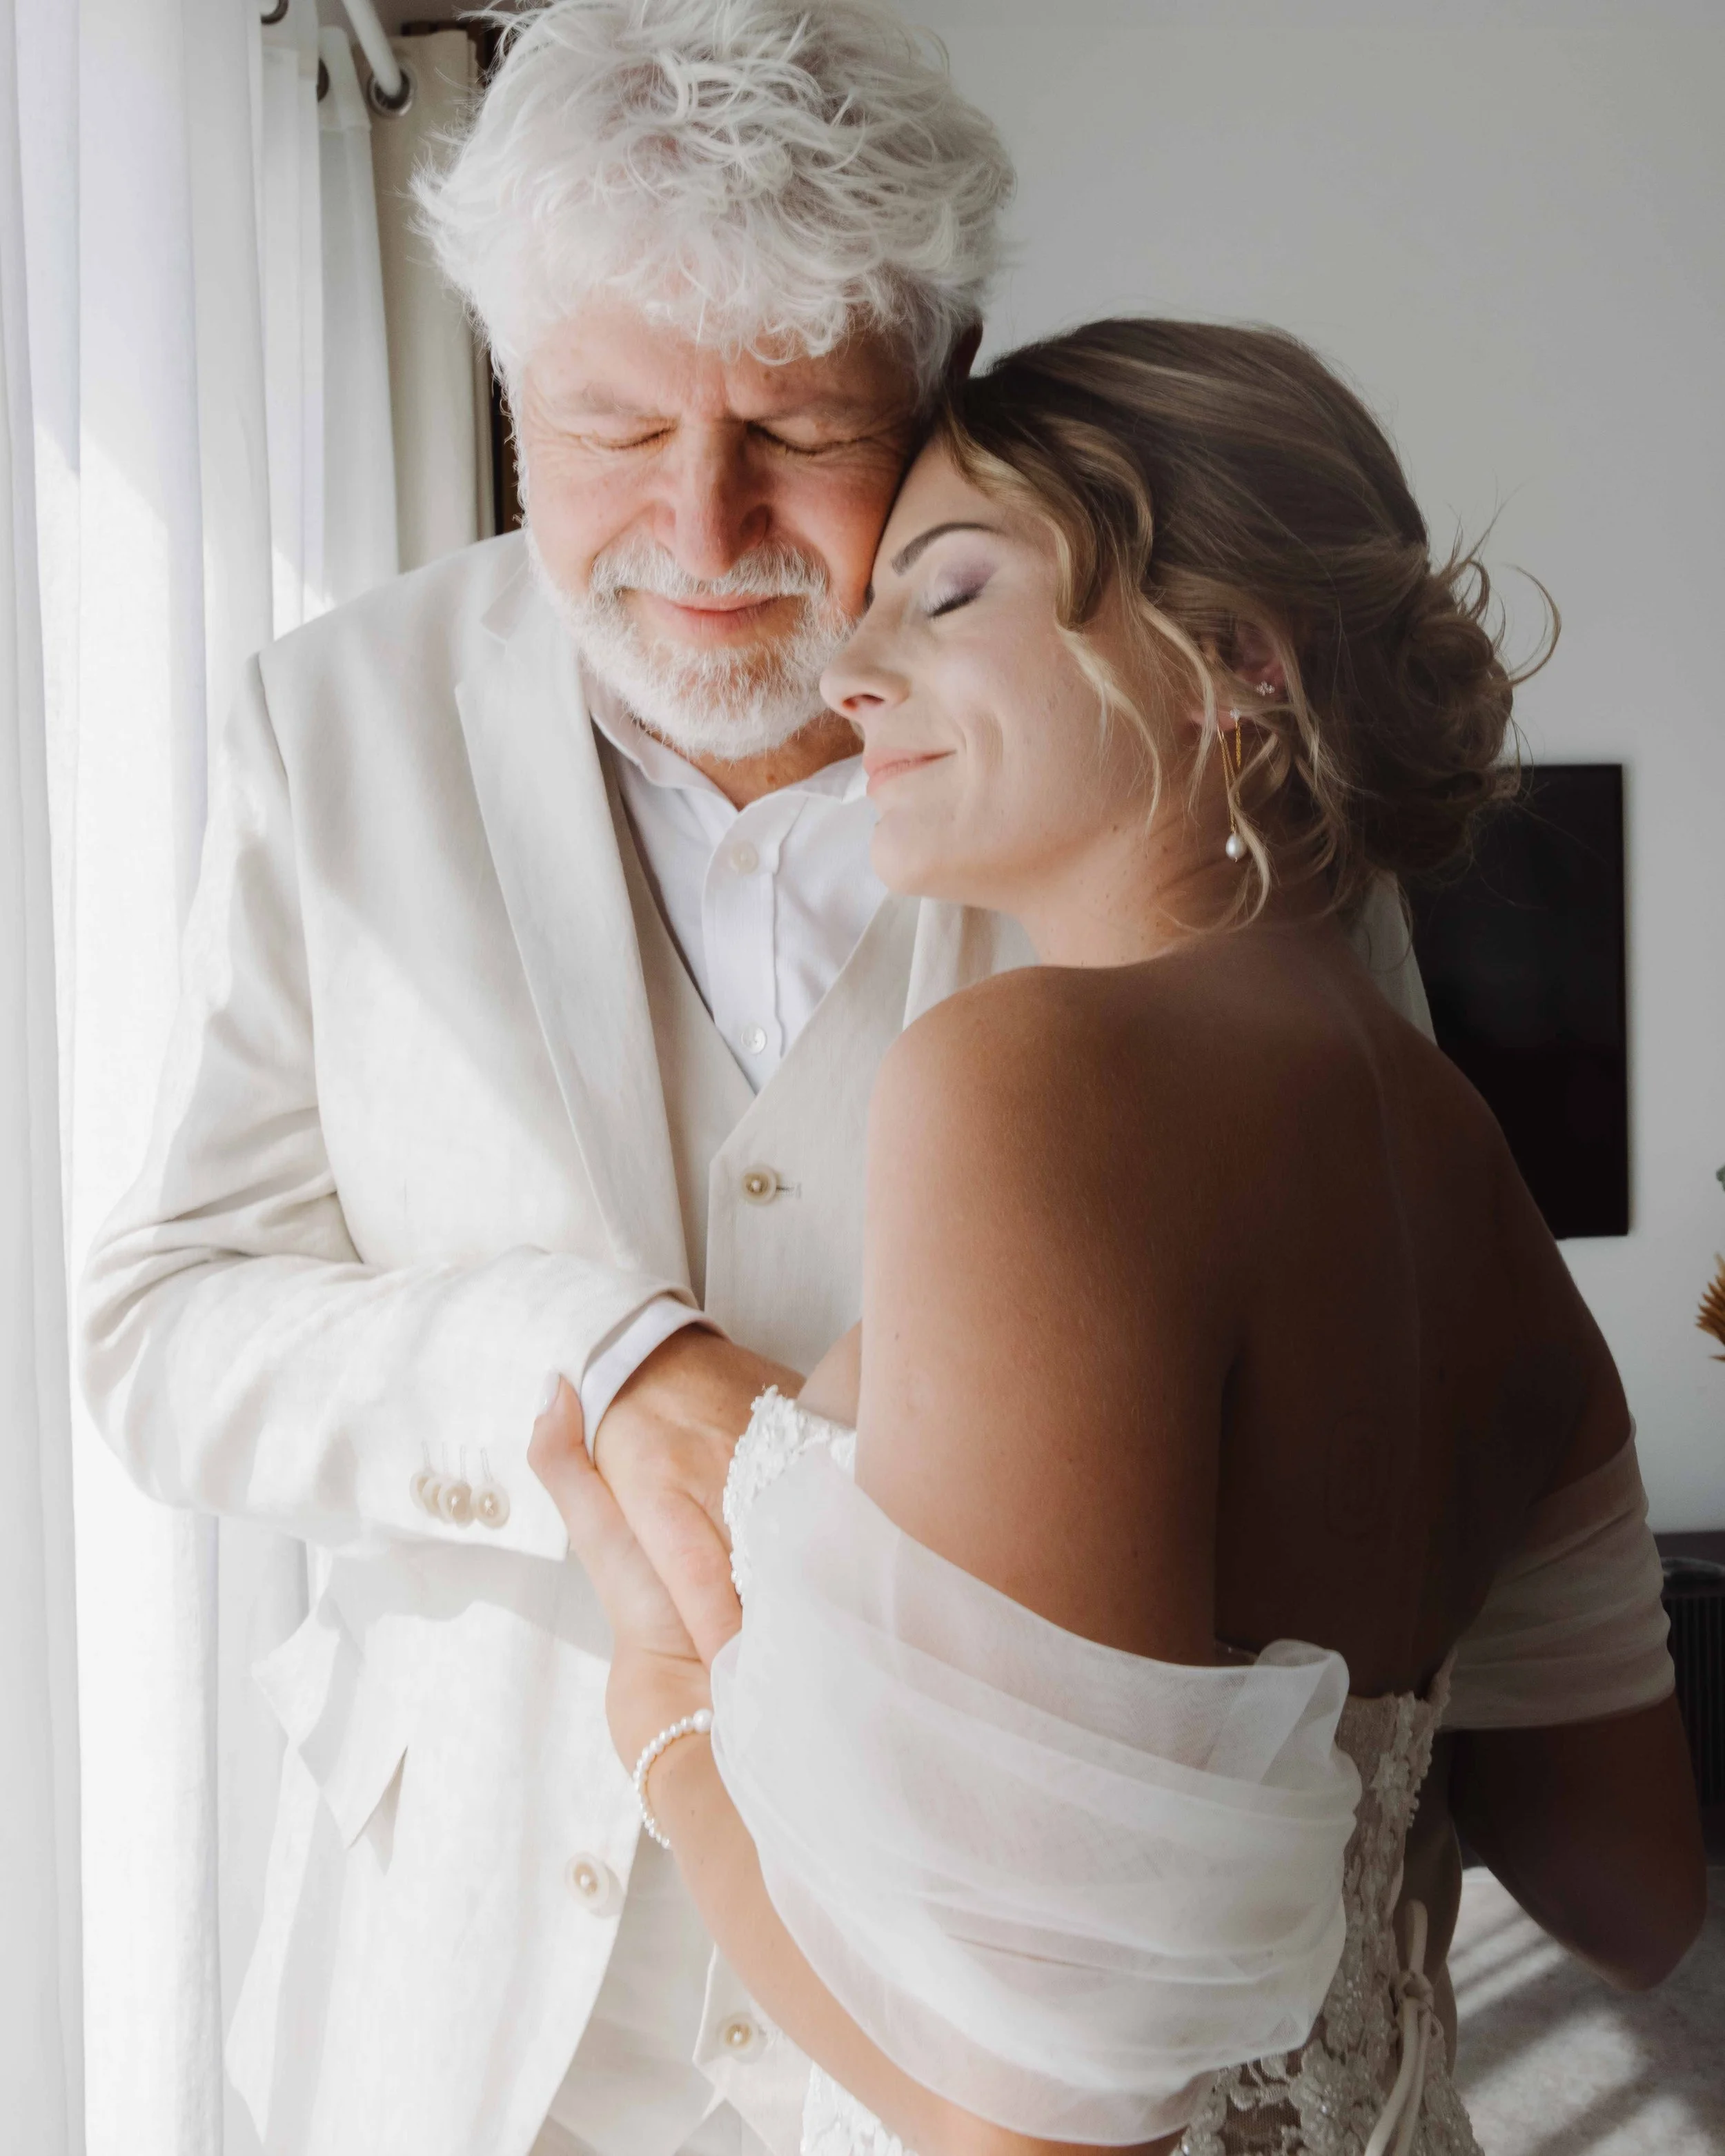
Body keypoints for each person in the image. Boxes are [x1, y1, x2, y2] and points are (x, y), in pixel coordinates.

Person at [76, 6, 1421, 2153]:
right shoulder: (320, 724)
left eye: (798, 427)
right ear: (513, 385)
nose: (700, 526)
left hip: (989, 2014)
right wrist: (588, 1357)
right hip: (468, 2009)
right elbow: (157, 1329)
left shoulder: (1187, 737)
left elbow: (1378, 1296)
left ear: (946, 375)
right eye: (608, 427)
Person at [544, 320, 1706, 2156]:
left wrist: (673, 1721)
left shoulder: (1026, 1080)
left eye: (943, 596)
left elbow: (1042, 2135)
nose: (849, 671)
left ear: (1226, 661)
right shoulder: (1455, 1144)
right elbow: (1627, 1874)